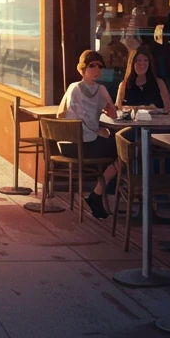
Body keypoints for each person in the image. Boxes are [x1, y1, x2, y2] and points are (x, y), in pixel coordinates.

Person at [57, 49, 118, 219]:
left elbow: (113, 115)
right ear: (83, 69)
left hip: (90, 140)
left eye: (100, 66)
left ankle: (97, 195)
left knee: (125, 151)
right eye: (92, 66)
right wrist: (98, 130)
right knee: (124, 151)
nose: (97, 70)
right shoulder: (75, 88)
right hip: (74, 143)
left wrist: (110, 104)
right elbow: (80, 116)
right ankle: (97, 195)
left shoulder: (101, 89)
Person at [116, 45, 170, 112]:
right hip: (132, 121)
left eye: (145, 60)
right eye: (138, 60)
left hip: (155, 121)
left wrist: (156, 111)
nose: (142, 63)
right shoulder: (123, 85)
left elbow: (168, 108)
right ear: (132, 63)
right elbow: (118, 108)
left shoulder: (159, 83)